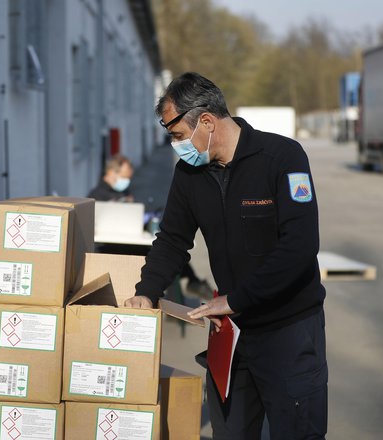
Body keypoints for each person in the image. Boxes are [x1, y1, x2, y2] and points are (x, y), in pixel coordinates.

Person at [124, 72, 327, 439]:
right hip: (233, 337)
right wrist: (147, 291)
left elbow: (299, 248)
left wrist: (236, 300)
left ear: (206, 122)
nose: (176, 146)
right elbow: (172, 239)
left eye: (178, 136)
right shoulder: (189, 173)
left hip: (289, 331)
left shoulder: (281, 157)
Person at [89, 154, 214, 299]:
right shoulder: (97, 195)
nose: (127, 181)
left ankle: (191, 282)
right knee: (164, 251)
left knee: (168, 250)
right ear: (112, 173)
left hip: (130, 241)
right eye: (125, 177)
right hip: (110, 247)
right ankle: (192, 283)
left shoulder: (122, 192)